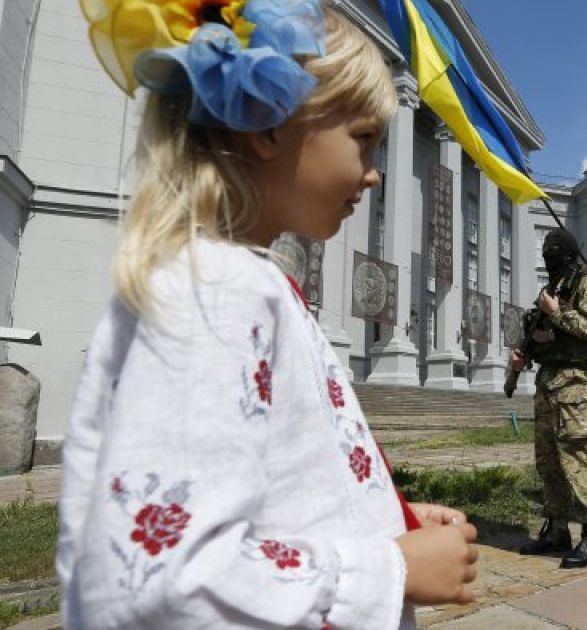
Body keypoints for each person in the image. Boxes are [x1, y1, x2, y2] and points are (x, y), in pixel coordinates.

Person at [58, 5, 477, 628]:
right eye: (364, 137)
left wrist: (388, 517)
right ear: (269, 125)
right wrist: (390, 568)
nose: (376, 172)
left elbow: (262, 481)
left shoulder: (236, 278)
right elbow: (159, 581)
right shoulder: (218, 291)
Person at [511, 228, 587, 568]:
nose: (550, 256)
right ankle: (556, 529)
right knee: (549, 462)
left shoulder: (585, 283)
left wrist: (556, 313)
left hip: (573, 385)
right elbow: (547, 336)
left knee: (577, 460)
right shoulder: (552, 288)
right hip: (547, 383)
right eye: (546, 252)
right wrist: (525, 356)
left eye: (556, 251)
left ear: (567, 252)